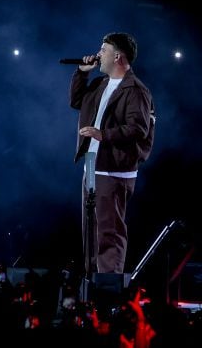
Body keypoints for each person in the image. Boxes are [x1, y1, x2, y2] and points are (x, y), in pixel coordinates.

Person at [69, 32, 155, 274]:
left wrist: (103, 134)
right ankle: (92, 285)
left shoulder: (135, 90)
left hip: (113, 170)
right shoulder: (100, 84)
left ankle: (109, 290)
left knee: (109, 232)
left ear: (117, 56)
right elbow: (77, 102)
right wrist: (81, 73)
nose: (98, 54)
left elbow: (138, 128)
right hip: (93, 165)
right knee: (91, 234)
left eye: (103, 50)